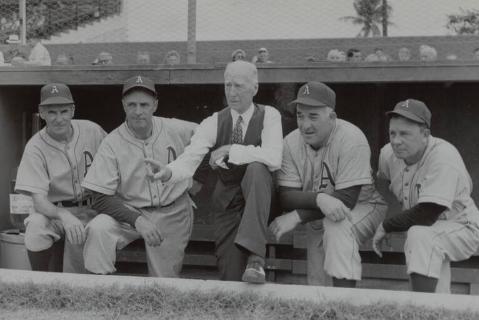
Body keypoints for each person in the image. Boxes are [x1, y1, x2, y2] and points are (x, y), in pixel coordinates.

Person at [147, 61, 283, 283]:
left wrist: (231, 149)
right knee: (230, 277)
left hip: (261, 200)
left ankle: (256, 260)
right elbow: (191, 158)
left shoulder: (270, 115)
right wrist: (169, 171)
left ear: (254, 88)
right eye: (227, 85)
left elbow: (273, 157)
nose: (232, 92)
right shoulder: (214, 121)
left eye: (238, 86)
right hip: (228, 203)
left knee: (257, 169)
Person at [269, 82, 386, 287]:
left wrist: (297, 216)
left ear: (332, 117)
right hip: (318, 210)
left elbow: (348, 200)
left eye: (313, 116)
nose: (305, 124)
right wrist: (319, 199)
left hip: (364, 205)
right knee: (318, 286)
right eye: (300, 115)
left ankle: (344, 304)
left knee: (338, 226)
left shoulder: (351, 138)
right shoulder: (290, 142)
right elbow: (287, 196)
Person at [82, 75, 197, 277]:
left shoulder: (176, 128)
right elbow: (99, 197)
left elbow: (210, 140)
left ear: (155, 105)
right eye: (132, 105)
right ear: (123, 106)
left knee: (163, 284)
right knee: (98, 229)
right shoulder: (112, 142)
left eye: (144, 105)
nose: (138, 111)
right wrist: (137, 220)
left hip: (173, 210)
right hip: (130, 211)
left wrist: (199, 179)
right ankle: (99, 292)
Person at [373, 99, 479, 293]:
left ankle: (421, 309)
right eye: (393, 133)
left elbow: (427, 213)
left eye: (405, 134)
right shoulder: (387, 156)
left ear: (425, 135)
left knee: (420, 235)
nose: (396, 140)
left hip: (462, 225)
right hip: (430, 226)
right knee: (424, 241)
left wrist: (386, 226)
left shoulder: (443, 157)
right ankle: (436, 311)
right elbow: (377, 182)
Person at [15, 83, 106, 273]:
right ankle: (40, 283)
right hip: (55, 212)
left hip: (93, 208)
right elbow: (39, 202)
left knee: (79, 273)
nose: (58, 118)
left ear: (72, 110)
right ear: (41, 112)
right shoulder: (35, 147)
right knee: (36, 226)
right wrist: (65, 216)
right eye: (52, 112)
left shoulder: (92, 130)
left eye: (64, 111)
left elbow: (116, 164)